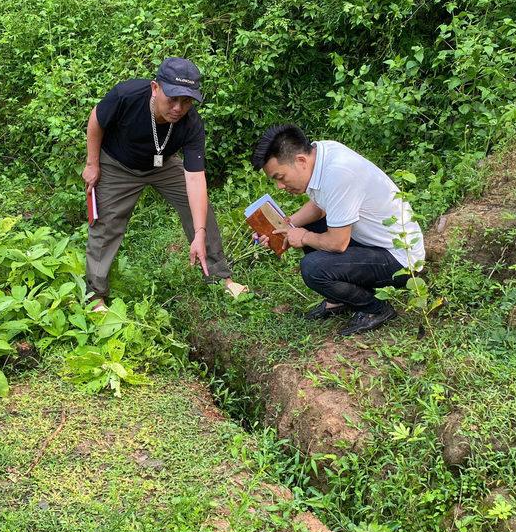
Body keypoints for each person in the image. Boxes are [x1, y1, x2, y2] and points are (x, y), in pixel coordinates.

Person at [82, 57, 247, 309]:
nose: (179, 108)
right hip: (117, 164)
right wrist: (93, 164)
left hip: (162, 165)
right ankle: (95, 295)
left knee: (200, 210)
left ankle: (219, 276)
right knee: (106, 224)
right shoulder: (127, 95)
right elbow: (96, 119)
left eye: (187, 101)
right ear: (155, 88)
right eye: (172, 98)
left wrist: (199, 232)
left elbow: (195, 178)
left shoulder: (191, 123)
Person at [250, 124, 425, 335]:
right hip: (372, 243)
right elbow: (319, 206)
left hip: (401, 260)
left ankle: (374, 309)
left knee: (313, 268)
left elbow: (337, 243)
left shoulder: (339, 173)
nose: (279, 186)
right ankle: (339, 300)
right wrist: (287, 227)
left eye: (280, 177)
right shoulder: (321, 154)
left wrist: (303, 236)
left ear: (301, 161)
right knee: (310, 228)